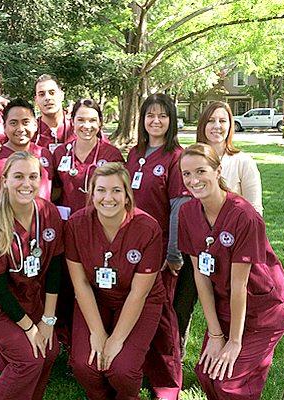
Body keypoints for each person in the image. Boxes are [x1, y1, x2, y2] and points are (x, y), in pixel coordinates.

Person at [178, 143, 284, 400]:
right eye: (186, 174)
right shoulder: (187, 212)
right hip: (227, 304)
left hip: (264, 309)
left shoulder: (244, 215)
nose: (193, 180)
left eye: (201, 171)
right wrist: (215, 334)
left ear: (218, 170)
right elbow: (200, 275)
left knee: (229, 385)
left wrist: (233, 341)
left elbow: (240, 284)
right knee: (207, 374)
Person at [0, 151, 63, 400]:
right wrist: (31, 330)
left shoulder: (49, 213)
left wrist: (48, 321)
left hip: (26, 295)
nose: (26, 184)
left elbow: (54, 268)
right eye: (18, 176)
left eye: (32, 176)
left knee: (49, 350)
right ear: (5, 181)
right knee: (29, 359)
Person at [65, 162, 166, 400]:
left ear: (127, 195)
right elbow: (80, 283)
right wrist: (98, 333)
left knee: (122, 369)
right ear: (91, 193)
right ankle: (99, 395)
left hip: (139, 300)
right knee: (83, 365)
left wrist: (117, 340)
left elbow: (139, 293)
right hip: (95, 297)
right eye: (101, 190)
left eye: (116, 190)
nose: (107, 197)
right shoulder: (76, 225)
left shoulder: (148, 228)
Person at [126, 94, 187, 399]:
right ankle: (136, 372)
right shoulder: (135, 153)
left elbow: (179, 208)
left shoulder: (175, 157)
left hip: (160, 254)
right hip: (129, 251)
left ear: (171, 120)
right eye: (150, 115)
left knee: (161, 320)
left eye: (163, 116)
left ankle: (166, 384)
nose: (156, 121)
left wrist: (173, 252)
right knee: (132, 313)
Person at [0, 98, 54, 220]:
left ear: (35, 125)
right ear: (4, 127)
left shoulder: (44, 154)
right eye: (14, 123)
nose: (20, 129)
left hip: (41, 231)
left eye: (25, 122)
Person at [52, 98, 123, 220]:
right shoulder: (61, 153)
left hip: (102, 222)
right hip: (68, 223)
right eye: (80, 120)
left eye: (92, 120)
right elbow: (55, 189)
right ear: (72, 122)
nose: (87, 126)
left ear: (100, 122)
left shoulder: (111, 154)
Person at [196, 102, 263, 214]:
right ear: (203, 125)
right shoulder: (189, 160)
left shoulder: (243, 162)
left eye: (222, 121)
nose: (217, 126)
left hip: (234, 229)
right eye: (211, 120)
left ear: (230, 125)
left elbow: (254, 210)